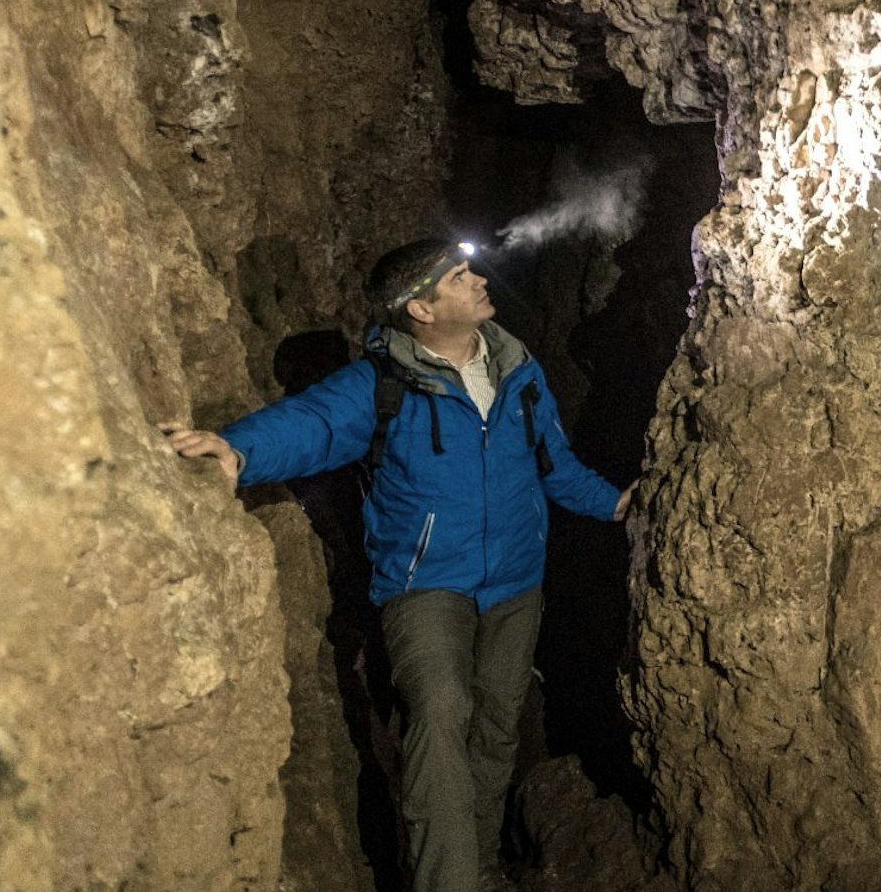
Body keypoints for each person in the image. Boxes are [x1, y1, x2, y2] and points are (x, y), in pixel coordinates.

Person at [160, 238, 627, 892]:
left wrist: (617, 503)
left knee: (496, 726)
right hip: (425, 581)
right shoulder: (382, 384)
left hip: (516, 580)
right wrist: (236, 448)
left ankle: (482, 864)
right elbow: (311, 424)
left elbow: (557, 465)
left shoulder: (519, 373)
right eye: (459, 276)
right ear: (422, 309)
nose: (478, 279)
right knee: (439, 708)